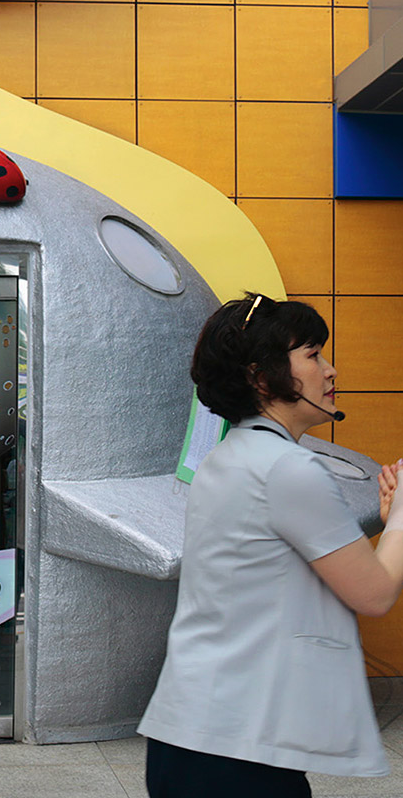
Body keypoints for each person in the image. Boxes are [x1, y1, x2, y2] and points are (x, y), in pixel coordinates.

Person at [138, 292, 403, 797]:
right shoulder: (287, 467)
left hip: (192, 734)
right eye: (313, 355)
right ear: (262, 378)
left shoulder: (228, 457)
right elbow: (375, 593)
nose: (330, 370)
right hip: (239, 750)